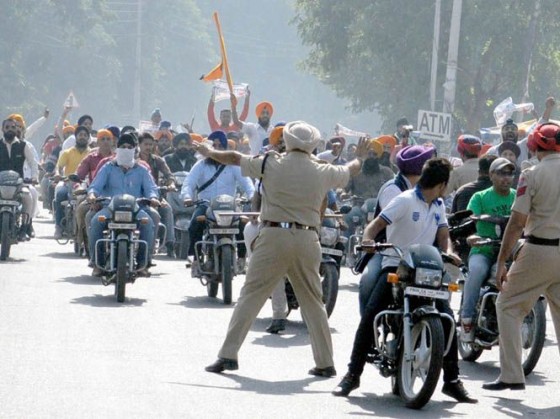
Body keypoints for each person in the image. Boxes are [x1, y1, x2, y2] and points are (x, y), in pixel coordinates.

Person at [201, 122, 369, 375]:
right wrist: (360, 157)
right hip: (307, 238)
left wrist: (208, 151)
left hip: (273, 236)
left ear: (286, 141)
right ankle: (325, 363)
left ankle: (227, 355)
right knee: (314, 302)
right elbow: (351, 169)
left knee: (251, 296)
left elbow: (234, 157)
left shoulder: (271, 163)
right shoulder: (323, 169)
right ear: (314, 144)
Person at [333, 158, 476, 403]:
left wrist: (449, 251)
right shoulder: (405, 200)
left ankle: (452, 381)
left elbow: (444, 235)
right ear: (442, 184)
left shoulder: (439, 204)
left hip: (426, 267)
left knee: (446, 319)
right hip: (397, 267)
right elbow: (375, 225)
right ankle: (352, 374)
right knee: (371, 315)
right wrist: (368, 240)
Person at [483, 122, 560, 391]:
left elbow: (517, 223)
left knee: (507, 305)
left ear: (535, 145)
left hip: (539, 249)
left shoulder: (532, 174)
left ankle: (512, 375)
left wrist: (503, 261)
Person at [357, 145, 436, 315]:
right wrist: (368, 240)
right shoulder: (393, 189)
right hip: (389, 251)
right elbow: (391, 224)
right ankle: (368, 328)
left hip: (422, 254)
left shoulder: (432, 191)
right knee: (368, 282)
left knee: (443, 285)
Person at [181, 130, 254, 275]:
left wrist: (252, 195)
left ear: (226, 148)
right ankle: (196, 259)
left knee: (244, 224)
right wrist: (187, 197)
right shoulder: (200, 165)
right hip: (206, 205)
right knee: (195, 223)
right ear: (208, 147)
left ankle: (241, 258)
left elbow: (247, 183)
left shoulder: (233, 166)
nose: (217, 148)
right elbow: (188, 183)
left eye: (221, 146)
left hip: (229, 207)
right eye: (214, 145)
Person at [460, 157, 516, 341]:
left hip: (510, 251)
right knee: (476, 271)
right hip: (484, 250)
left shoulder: (518, 197)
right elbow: (469, 221)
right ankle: (467, 319)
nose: (506, 178)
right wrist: (471, 237)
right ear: (491, 175)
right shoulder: (480, 197)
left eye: (510, 173)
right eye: (501, 173)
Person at [86, 133, 158, 277]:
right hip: (110, 208)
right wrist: (92, 195)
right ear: (117, 149)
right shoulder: (108, 167)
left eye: (129, 147)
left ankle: (144, 263)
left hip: (136, 209)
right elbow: (95, 186)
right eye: (123, 147)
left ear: (134, 149)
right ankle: (97, 263)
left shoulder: (141, 169)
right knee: (95, 221)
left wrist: (153, 198)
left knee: (148, 222)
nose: (126, 150)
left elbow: (151, 188)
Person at [137, 131, 176, 257]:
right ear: (139, 145)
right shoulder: (133, 160)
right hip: (135, 195)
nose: (148, 147)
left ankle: (169, 244)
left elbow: (169, 175)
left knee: (167, 209)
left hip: (154, 195)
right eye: (145, 144)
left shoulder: (158, 160)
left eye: (151, 144)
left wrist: (171, 184)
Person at [0, 118, 37, 240]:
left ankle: (25, 227)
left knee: (28, 197)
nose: (10, 130)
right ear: (2, 129)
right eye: (7, 127)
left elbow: (32, 162)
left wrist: (34, 177)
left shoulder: (23, 145)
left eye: (13, 127)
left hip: (18, 183)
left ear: (17, 129)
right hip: (1, 184)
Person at [53, 125, 91, 239]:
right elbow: (59, 167)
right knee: (59, 195)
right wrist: (58, 174)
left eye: (85, 135)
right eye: (80, 135)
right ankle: (59, 226)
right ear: (76, 137)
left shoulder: (92, 154)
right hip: (68, 183)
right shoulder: (67, 152)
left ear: (88, 138)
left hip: (85, 184)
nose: (82, 137)